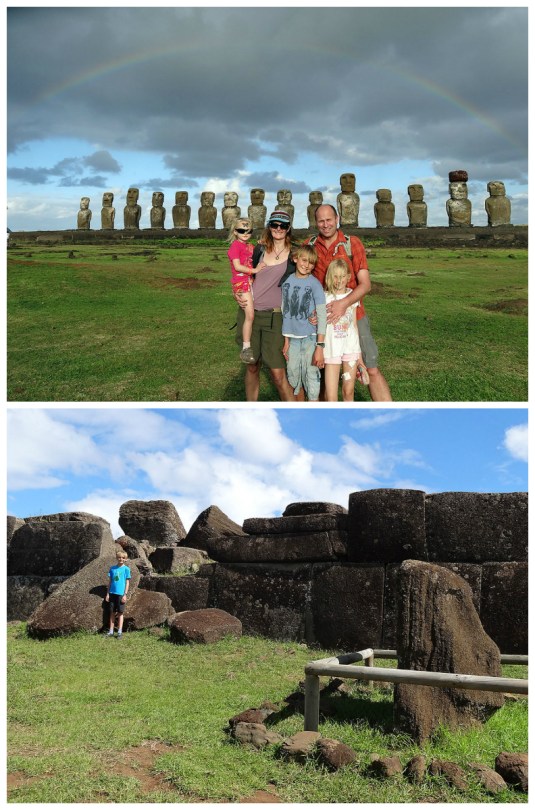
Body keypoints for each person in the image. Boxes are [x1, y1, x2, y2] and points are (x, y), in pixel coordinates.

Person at [308, 204, 392, 401]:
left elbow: (365, 284)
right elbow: (304, 281)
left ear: (337, 219)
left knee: (370, 367)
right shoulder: (310, 245)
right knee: (321, 372)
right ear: (316, 222)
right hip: (325, 321)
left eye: (329, 220)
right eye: (321, 221)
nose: (325, 224)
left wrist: (344, 303)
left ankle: (388, 409)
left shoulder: (351, 244)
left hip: (353, 317)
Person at [234, 210, 296, 401]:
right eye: (275, 225)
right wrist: (237, 292)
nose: (278, 229)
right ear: (269, 226)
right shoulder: (257, 250)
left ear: (288, 229)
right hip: (251, 312)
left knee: (278, 374)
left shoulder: (295, 253)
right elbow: (242, 274)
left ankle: (295, 411)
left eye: (283, 226)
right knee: (252, 366)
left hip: (276, 316)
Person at [281, 245, 327, 401]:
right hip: (292, 338)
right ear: (295, 259)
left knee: (311, 373)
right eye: (304, 260)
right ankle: (299, 395)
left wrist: (320, 346)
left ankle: (313, 402)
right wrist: (286, 341)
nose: (307, 265)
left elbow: (321, 314)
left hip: (310, 337)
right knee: (292, 372)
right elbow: (285, 311)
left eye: (311, 263)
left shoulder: (314, 284)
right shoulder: (288, 281)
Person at [323, 259, 369, 401]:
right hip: (332, 349)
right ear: (330, 276)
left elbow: (354, 325)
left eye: (343, 276)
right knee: (331, 396)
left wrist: (359, 357)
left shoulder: (352, 296)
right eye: (335, 276)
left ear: (348, 277)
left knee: (348, 392)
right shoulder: (324, 297)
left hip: (351, 348)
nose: (339, 280)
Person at [227, 217, 257, 363]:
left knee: (252, 314)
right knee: (250, 315)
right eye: (241, 230)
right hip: (241, 283)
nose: (245, 233)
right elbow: (238, 267)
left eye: (248, 230)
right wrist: (254, 270)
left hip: (249, 282)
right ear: (235, 231)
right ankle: (246, 347)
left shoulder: (249, 246)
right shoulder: (235, 246)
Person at [105, 549, 131, 638]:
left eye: (123, 558)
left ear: (125, 559)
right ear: (117, 558)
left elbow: (127, 582)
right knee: (112, 612)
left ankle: (119, 632)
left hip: (120, 594)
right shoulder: (112, 568)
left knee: (120, 613)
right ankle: (111, 631)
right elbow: (110, 582)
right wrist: (107, 593)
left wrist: (125, 594)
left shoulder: (126, 569)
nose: (121, 559)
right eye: (119, 557)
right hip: (112, 593)